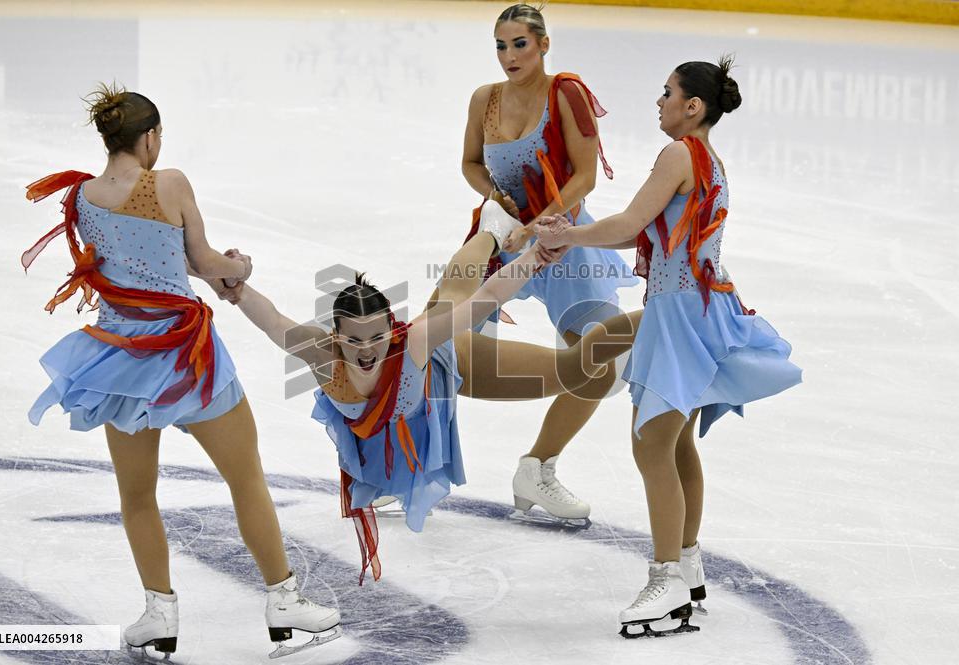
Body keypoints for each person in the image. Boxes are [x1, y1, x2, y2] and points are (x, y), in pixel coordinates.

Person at [22, 84, 340, 659]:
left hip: (118, 360)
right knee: (245, 475)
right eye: (159, 137)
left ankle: (159, 615)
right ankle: (284, 601)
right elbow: (202, 262)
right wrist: (239, 265)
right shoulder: (168, 184)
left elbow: (124, 269)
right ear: (148, 138)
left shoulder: (81, 199)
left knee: (137, 495)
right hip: (186, 360)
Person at [214, 200, 641, 583]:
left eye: (376, 336)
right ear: (336, 337)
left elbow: (488, 296)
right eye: (354, 340)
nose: (366, 350)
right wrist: (237, 290)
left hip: (447, 362)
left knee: (573, 368)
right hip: (415, 378)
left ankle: (657, 311)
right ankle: (490, 229)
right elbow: (272, 320)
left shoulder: (412, 340)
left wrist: (535, 255)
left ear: (391, 327)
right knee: (450, 295)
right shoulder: (323, 355)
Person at [536, 56, 802, 637]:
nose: (659, 103)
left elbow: (629, 219)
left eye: (667, 94)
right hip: (699, 307)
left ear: (693, 107)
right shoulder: (709, 160)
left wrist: (568, 234)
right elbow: (642, 228)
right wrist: (575, 236)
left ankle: (666, 582)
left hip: (679, 315)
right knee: (676, 442)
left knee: (651, 445)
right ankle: (686, 561)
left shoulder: (678, 154)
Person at [459, 3, 640, 524]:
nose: (509, 56)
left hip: (563, 242)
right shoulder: (485, 100)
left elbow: (584, 176)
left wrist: (544, 223)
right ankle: (400, 464)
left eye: (520, 44)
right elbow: (470, 162)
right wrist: (496, 194)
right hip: (500, 240)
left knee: (599, 365)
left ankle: (537, 467)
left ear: (543, 44)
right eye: (500, 45)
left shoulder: (566, 92)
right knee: (445, 353)